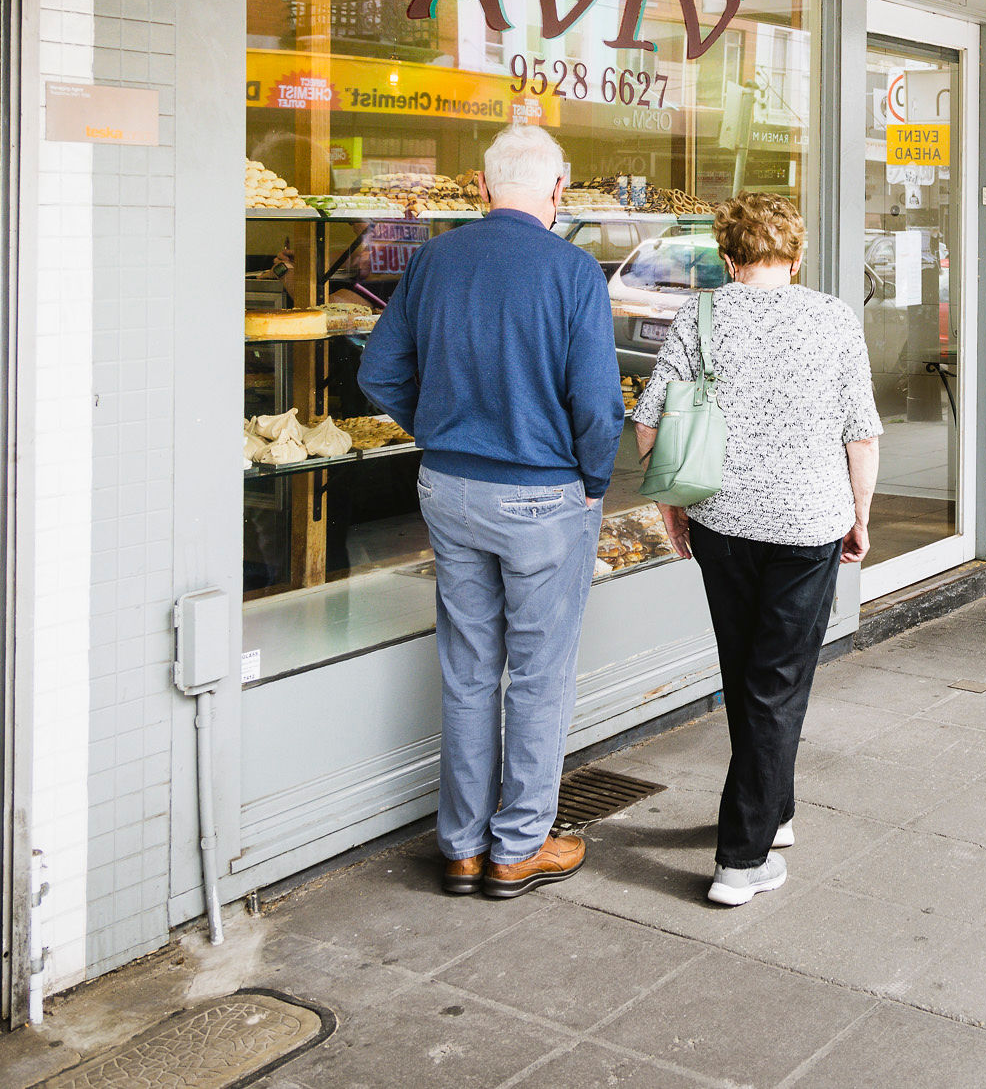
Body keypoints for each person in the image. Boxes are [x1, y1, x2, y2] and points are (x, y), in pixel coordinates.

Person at [358, 123, 622, 900]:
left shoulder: (436, 260)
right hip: (544, 495)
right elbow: (599, 406)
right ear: (558, 189)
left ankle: (463, 848)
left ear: (480, 189)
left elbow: (379, 372)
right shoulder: (574, 271)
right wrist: (594, 482)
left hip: (448, 487)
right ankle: (518, 848)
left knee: (469, 671)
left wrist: (440, 427)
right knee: (539, 677)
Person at [634, 194, 882, 907]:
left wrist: (673, 509)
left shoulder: (701, 315)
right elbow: (859, 433)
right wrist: (859, 514)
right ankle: (741, 861)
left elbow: (650, 425)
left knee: (748, 673)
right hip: (808, 527)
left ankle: (774, 813)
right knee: (776, 682)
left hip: (724, 522)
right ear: (797, 255)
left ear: (729, 257)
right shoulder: (832, 316)